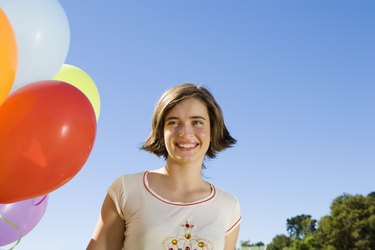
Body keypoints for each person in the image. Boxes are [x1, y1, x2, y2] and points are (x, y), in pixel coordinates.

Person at [87, 83, 241, 250]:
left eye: (197, 122)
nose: (185, 132)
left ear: (213, 131)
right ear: (161, 132)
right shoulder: (126, 190)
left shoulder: (228, 206)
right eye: (174, 122)